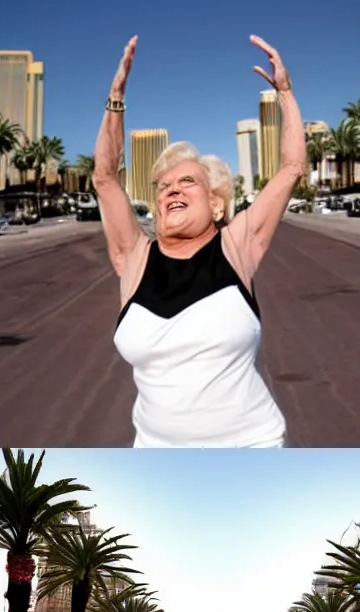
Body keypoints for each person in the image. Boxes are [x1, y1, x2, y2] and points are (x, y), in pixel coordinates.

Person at [94, 35, 304, 446]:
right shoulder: (133, 258)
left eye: (188, 181)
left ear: (217, 205)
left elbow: (292, 167)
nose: (172, 189)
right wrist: (116, 97)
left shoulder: (237, 246)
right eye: (164, 186)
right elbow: (105, 177)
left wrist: (285, 93)